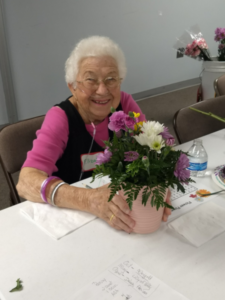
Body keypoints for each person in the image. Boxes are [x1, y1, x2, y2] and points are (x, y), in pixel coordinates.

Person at [17, 36, 171, 233]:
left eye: (111, 79)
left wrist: (159, 183)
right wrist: (89, 200)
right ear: (72, 85)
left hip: (121, 210)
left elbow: (152, 147)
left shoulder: (124, 104)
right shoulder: (61, 117)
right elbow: (26, 182)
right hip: (74, 220)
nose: (102, 90)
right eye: (91, 80)